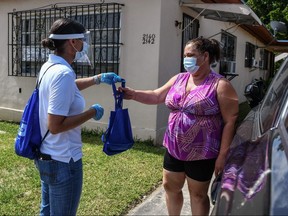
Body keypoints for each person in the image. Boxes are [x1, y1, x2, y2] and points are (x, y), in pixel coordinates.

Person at [119, 37, 239, 216]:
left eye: (190, 55)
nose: (186, 59)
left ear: (205, 56)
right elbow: (156, 96)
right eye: (185, 55)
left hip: (202, 152)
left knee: (198, 195)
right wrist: (133, 94)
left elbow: (231, 120)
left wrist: (223, 155)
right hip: (174, 147)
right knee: (170, 187)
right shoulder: (179, 79)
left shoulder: (220, 85)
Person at [34, 18, 122, 216]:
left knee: (46, 212)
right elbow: (55, 126)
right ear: (72, 42)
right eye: (82, 39)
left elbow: (68, 88)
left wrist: (97, 79)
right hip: (64, 160)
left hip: (47, 155)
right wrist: (92, 112)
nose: (85, 43)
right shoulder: (63, 73)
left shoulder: (49, 67)